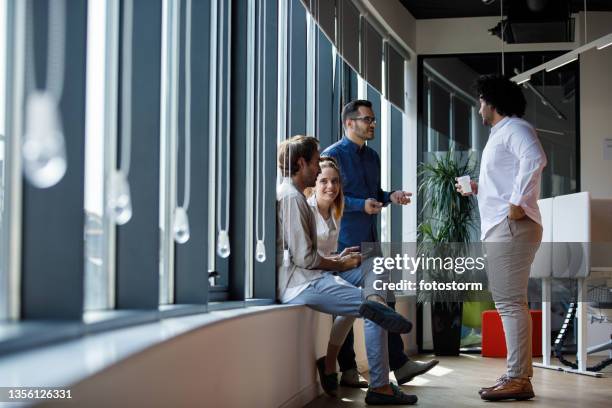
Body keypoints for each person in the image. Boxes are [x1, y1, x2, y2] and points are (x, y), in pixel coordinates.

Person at [277, 135, 417, 405]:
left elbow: (311, 254)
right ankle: (379, 384)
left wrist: (338, 259)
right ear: (301, 162)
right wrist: (339, 263)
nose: (319, 170)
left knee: (375, 274)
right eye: (317, 164)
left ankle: (375, 303)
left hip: (313, 277)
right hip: (302, 283)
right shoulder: (293, 199)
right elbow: (306, 258)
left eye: (333, 180)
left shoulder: (304, 200)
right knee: (373, 308)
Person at [322, 100, 438, 386]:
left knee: (386, 299)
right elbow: (327, 196)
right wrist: (362, 205)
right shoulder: (332, 156)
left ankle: (400, 365)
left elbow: (376, 193)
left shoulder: (372, 157)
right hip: (344, 244)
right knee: (347, 308)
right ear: (349, 122)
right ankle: (348, 370)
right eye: (367, 119)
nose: (372, 124)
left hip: (371, 241)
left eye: (373, 120)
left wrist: (391, 196)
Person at [456, 75, 546, 402]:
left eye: (481, 99)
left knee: (510, 303)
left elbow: (535, 160)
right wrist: (481, 190)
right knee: (510, 302)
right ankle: (515, 374)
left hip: (511, 228)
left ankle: (519, 378)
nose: (479, 106)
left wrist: (517, 204)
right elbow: (510, 177)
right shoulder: (500, 134)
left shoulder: (515, 128)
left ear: (491, 102)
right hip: (502, 227)